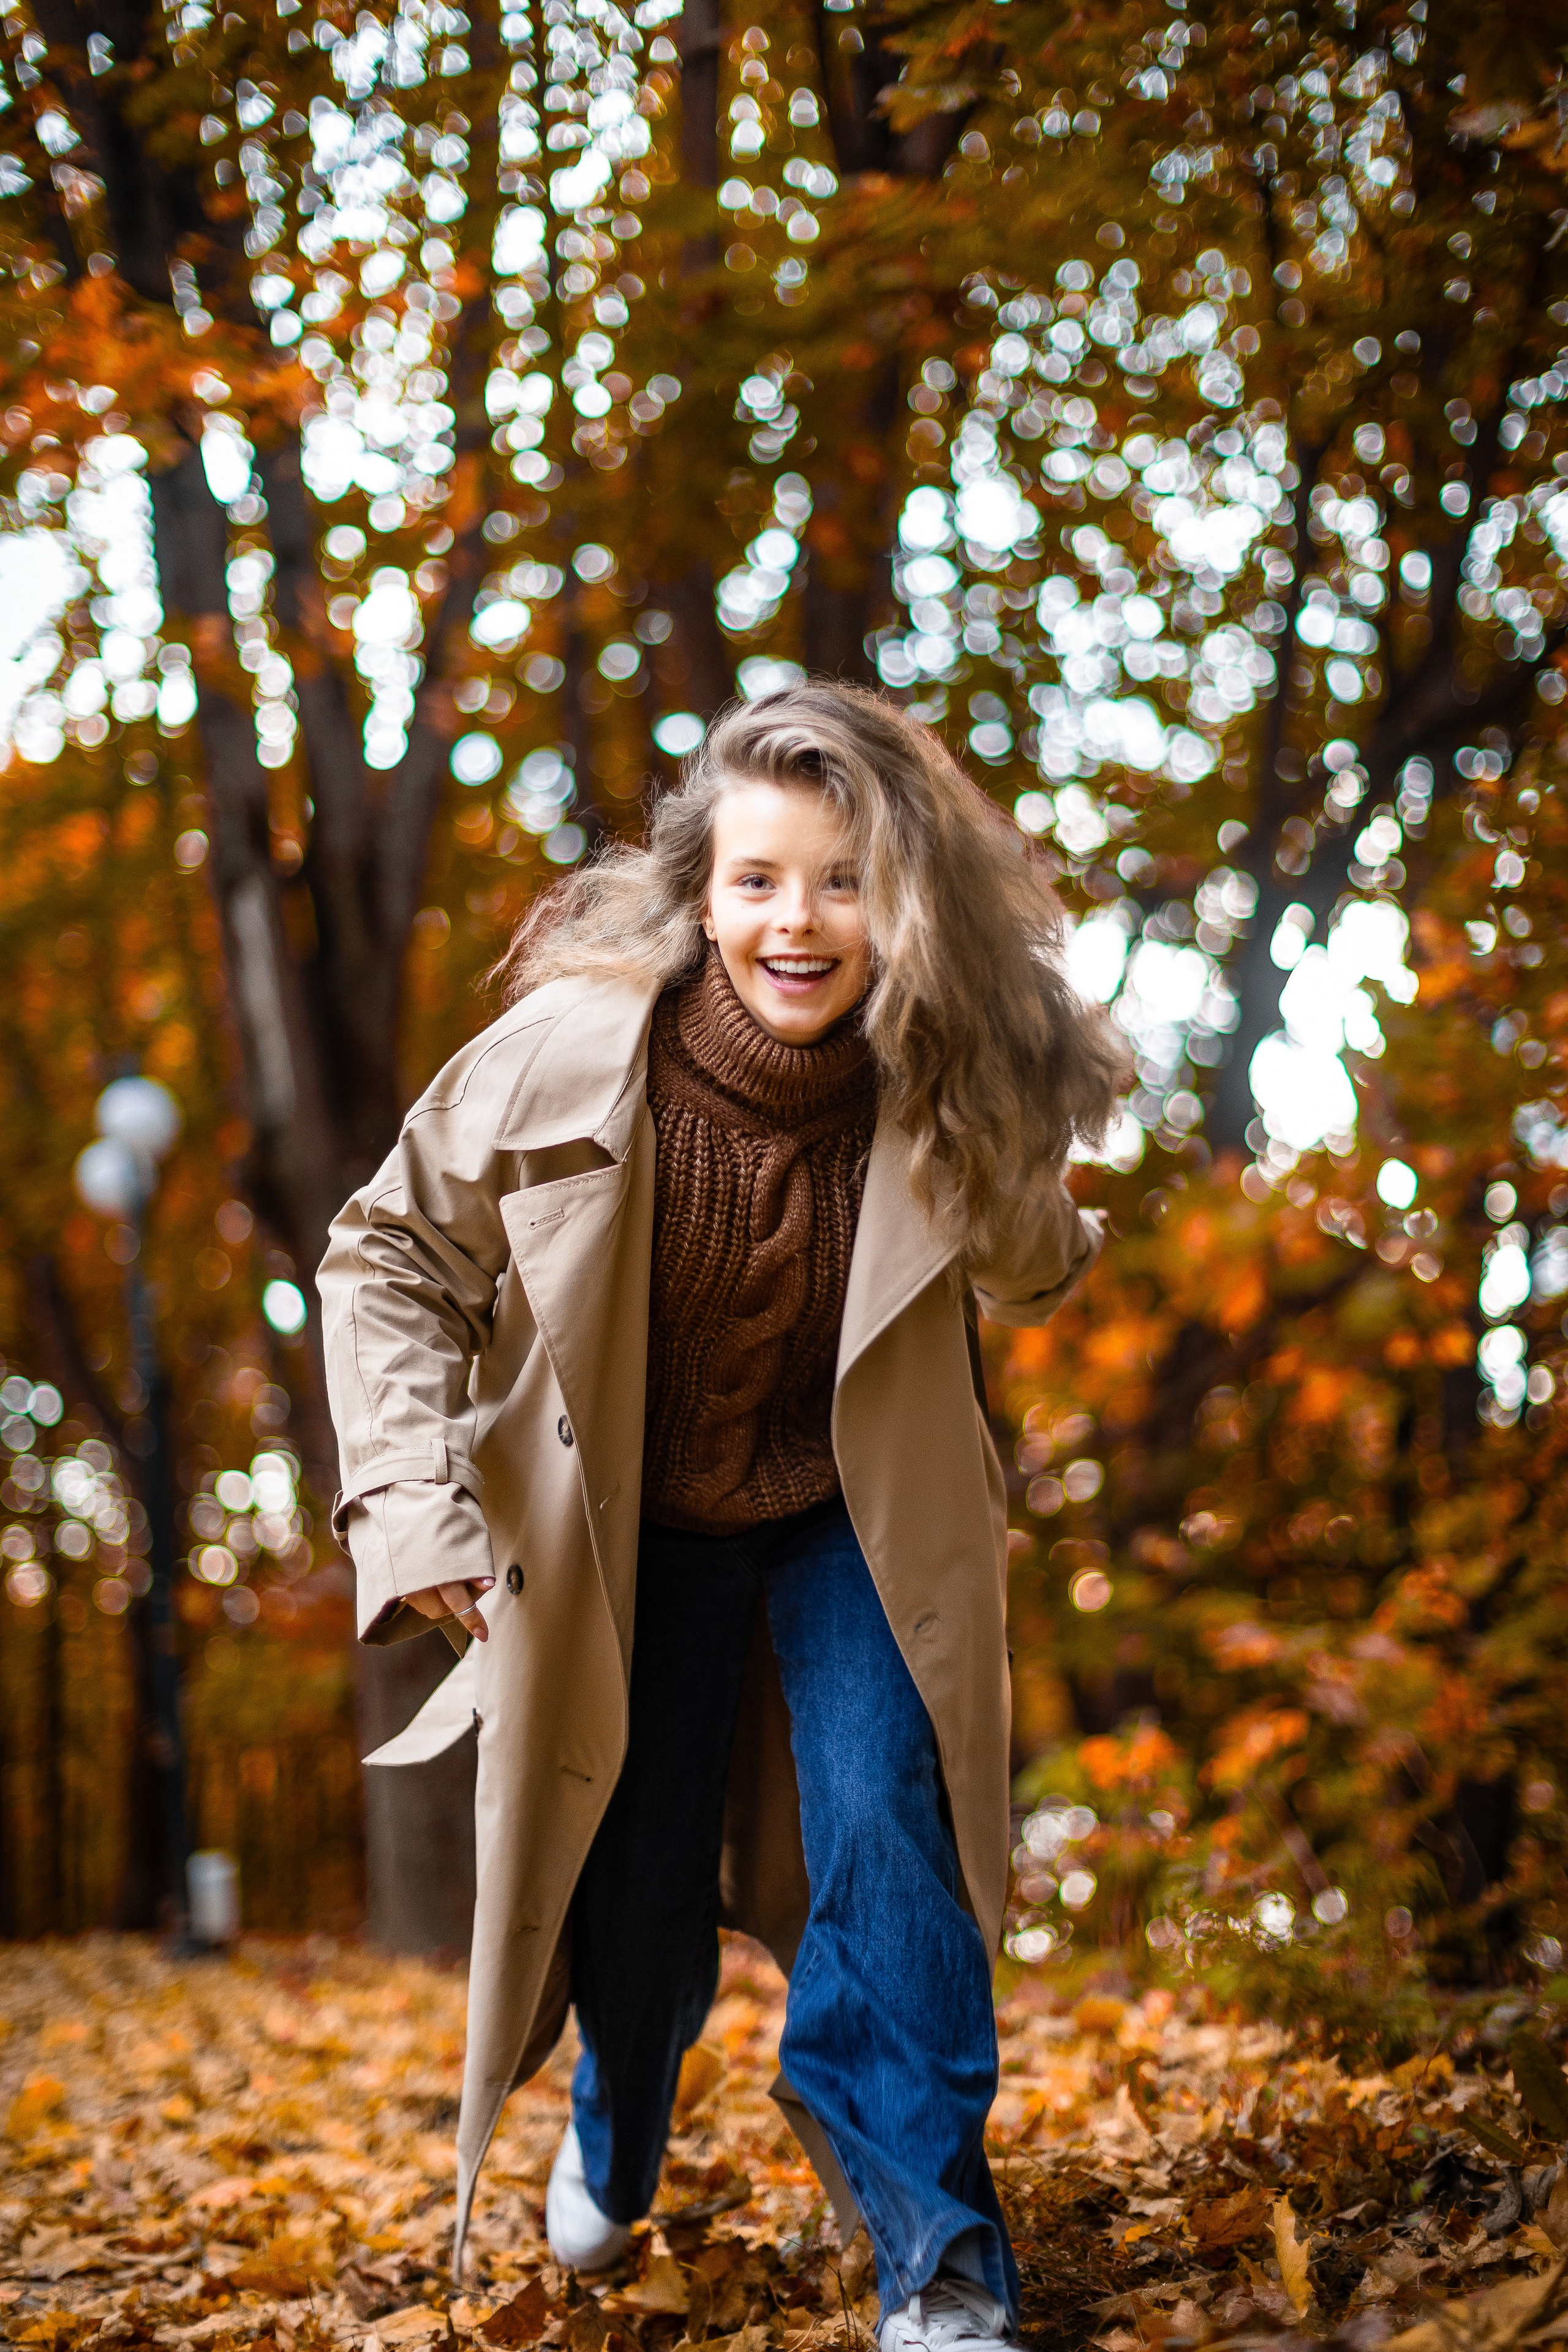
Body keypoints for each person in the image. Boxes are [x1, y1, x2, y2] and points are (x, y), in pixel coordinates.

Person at [319, 683, 1123, 2352]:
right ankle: (619, 2112)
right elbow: (387, 1256)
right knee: (637, 1891)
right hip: (635, 1533)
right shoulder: (569, 1058)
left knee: (893, 1822)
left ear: (898, 903)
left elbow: (1042, 1272)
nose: (798, 921)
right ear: (702, 896)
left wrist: (1010, 1121)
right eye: (759, 880)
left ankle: (941, 2251)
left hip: (853, 1519)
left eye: (842, 882)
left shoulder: (935, 1079)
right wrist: (412, 1499)